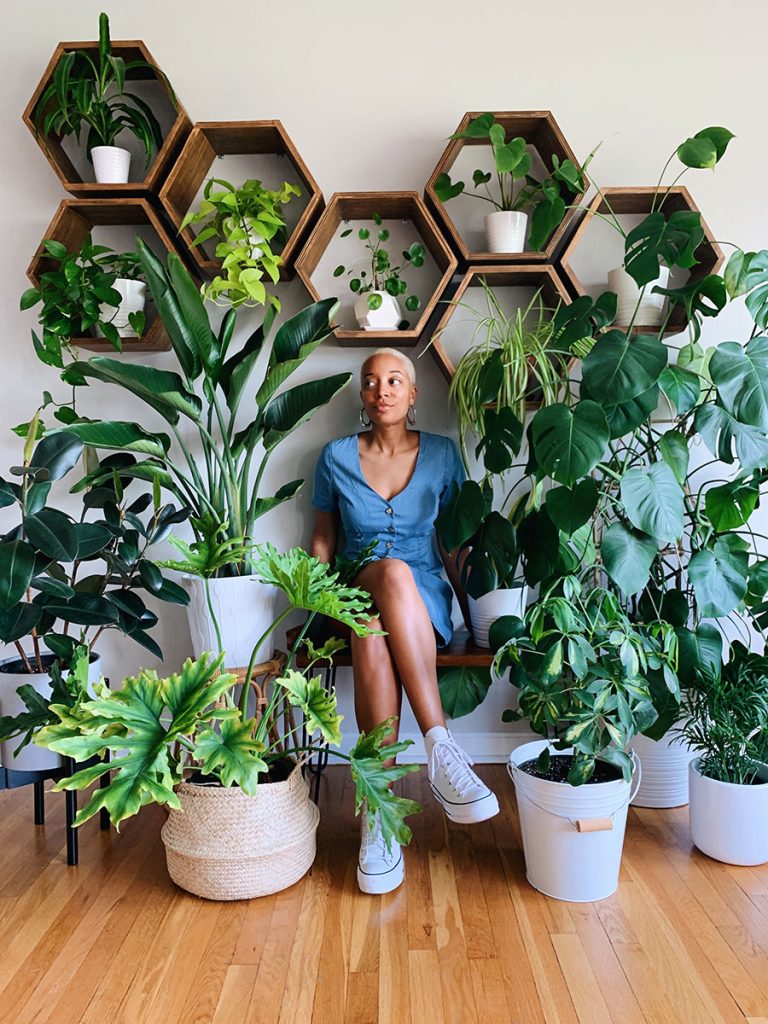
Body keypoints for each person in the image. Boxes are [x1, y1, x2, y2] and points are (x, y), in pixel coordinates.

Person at [310, 347, 499, 895]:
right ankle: (440, 745)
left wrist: (474, 615)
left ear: (413, 395)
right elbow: (322, 539)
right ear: (362, 396)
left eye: (395, 380)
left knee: (373, 628)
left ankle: (379, 812)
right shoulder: (335, 456)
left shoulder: (442, 454)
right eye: (371, 381)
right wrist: (314, 602)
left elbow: (453, 543)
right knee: (382, 584)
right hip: (351, 589)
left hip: (423, 605)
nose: (382, 389)